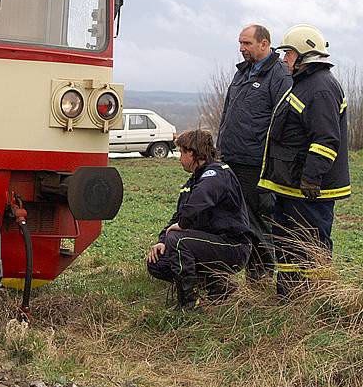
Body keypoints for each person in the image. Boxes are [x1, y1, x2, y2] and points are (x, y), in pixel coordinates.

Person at [258, 24, 350, 297]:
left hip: (308, 189)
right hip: (292, 185)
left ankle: (317, 299)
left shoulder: (320, 88)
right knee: (289, 243)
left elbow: (326, 139)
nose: (284, 60)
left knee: (311, 243)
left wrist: (311, 177)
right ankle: (288, 296)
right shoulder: (305, 84)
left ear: (304, 55)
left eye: (288, 54)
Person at [217, 24, 291, 281]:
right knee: (238, 215)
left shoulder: (279, 75)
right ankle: (249, 269)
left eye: (247, 43)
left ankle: (262, 274)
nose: (242, 48)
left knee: (257, 217)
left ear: (264, 43)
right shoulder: (243, 73)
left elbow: (283, 120)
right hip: (232, 157)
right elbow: (228, 113)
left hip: (255, 161)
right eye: (240, 43)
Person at [147, 129, 252, 310]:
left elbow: (199, 202)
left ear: (192, 153)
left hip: (233, 246)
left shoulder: (217, 174)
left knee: (178, 241)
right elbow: (178, 215)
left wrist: (181, 226)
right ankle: (219, 286)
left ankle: (189, 304)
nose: (179, 158)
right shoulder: (193, 182)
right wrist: (162, 240)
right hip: (208, 244)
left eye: (181, 152)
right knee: (158, 262)